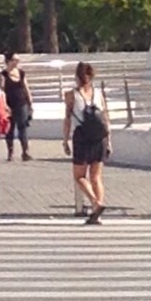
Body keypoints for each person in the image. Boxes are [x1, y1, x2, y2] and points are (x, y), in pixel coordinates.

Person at [63, 60, 110, 224]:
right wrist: (109, 141)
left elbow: (67, 119)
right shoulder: (98, 93)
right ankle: (98, 214)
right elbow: (105, 118)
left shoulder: (71, 95)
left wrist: (65, 140)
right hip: (99, 138)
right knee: (96, 177)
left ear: (77, 77)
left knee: (79, 176)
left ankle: (95, 203)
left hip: (81, 137)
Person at [1, 51, 33, 161]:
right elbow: (2, 91)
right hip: (9, 105)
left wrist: (30, 102)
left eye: (18, 60)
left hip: (21, 103)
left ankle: (25, 152)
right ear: (8, 61)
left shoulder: (21, 73)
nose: (17, 62)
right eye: (15, 60)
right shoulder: (3, 75)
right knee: (9, 129)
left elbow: (26, 87)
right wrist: (4, 105)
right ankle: (10, 152)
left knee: (23, 127)